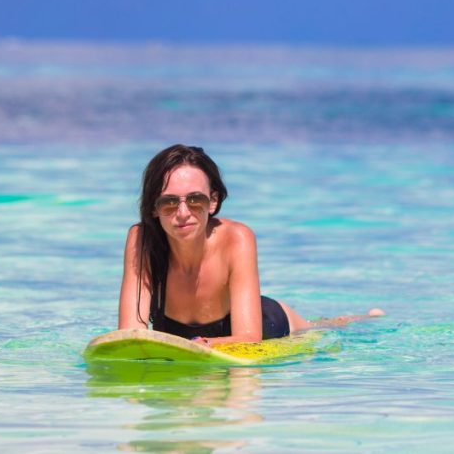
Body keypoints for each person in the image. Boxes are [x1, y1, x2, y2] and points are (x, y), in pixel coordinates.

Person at [119, 144, 383, 346]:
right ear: (154, 208)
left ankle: (364, 319)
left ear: (213, 201)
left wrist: (199, 347)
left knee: (321, 330)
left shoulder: (237, 238)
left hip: (265, 324)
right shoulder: (142, 240)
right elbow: (132, 330)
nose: (183, 213)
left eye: (196, 200)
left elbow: (249, 337)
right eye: (169, 202)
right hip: (196, 343)